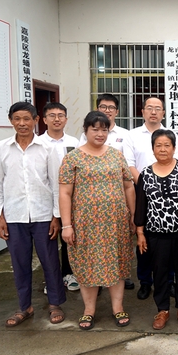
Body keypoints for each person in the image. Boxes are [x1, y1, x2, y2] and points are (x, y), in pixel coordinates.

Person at [0, 102, 65, 327]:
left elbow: (56, 183)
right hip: (14, 215)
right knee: (20, 263)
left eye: (26, 119)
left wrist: (56, 217)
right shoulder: (1, 148)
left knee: (50, 261)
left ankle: (55, 303)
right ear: (11, 121)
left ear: (35, 120)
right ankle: (25, 307)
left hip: (43, 215)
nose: (22, 123)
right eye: (17, 119)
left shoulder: (47, 148)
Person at [59, 111, 136, 330]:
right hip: (86, 224)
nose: (100, 133)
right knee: (87, 265)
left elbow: (128, 186)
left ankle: (118, 307)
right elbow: (65, 193)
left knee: (117, 264)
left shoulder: (116, 156)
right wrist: (67, 225)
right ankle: (89, 310)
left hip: (116, 223)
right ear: (86, 130)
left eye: (104, 129)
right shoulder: (73, 158)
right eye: (95, 129)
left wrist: (133, 214)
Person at [135, 129, 178, 330]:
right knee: (159, 272)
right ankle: (162, 310)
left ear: (174, 148)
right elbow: (141, 207)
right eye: (158, 145)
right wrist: (140, 233)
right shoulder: (146, 174)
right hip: (155, 234)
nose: (163, 149)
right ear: (153, 149)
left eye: (167, 145)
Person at [123, 96, 178, 300]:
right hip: (141, 192)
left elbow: (176, 162)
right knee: (144, 238)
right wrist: (147, 185)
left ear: (164, 113)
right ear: (142, 112)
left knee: (169, 239)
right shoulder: (132, 135)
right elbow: (129, 164)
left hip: (169, 195)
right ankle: (145, 281)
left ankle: (169, 281)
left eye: (158, 108)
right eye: (150, 108)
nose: (154, 112)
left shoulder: (172, 134)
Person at [79, 93, 135, 291]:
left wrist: (131, 210)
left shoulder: (125, 134)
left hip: (117, 198)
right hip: (91, 203)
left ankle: (120, 276)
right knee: (94, 246)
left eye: (111, 107)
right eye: (103, 106)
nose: (107, 110)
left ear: (117, 111)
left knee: (117, 243)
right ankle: (98, 279)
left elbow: (127, 173)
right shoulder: (82, 141)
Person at [39, 102, 80, 292]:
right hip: (45, 199)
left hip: (69, 198)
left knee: (69, 239)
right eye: (52, 115)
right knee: (48, 242)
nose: (57, 119)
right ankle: (52, 280)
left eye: (60, 115)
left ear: (66, 119)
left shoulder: (74, 143)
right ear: (44, 119)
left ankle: (69, 274)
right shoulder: (38, 143)